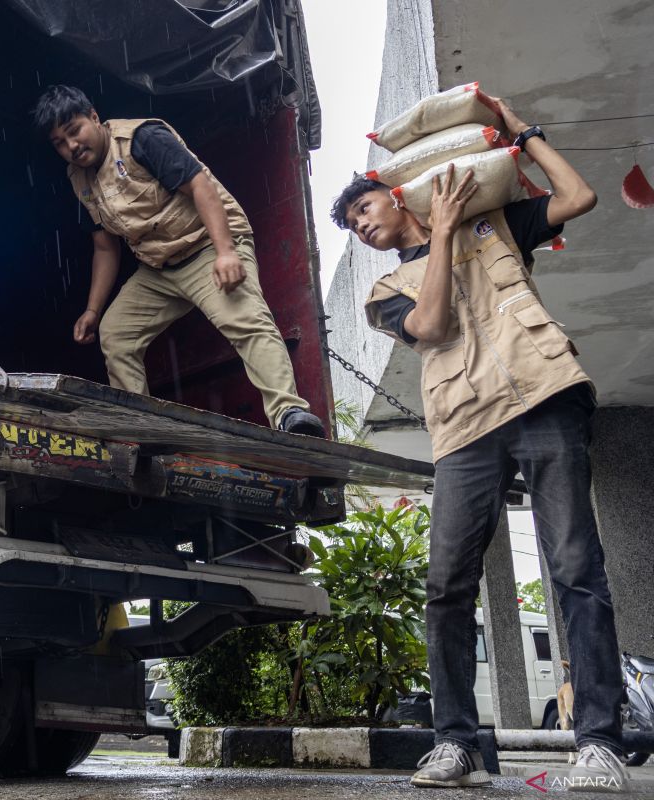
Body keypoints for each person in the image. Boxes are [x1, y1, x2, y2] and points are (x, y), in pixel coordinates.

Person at [333, 97, 628, 791]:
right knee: (446, 587)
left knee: (576, 569)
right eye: (351, 227)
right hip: (465, 427)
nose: (363, 228)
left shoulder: (493, 225)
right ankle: (456, 744)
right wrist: (437, 236)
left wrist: (522, 134)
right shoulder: (385, 290)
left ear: (391, 192)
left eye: (364, 211)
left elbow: (578, 197)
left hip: (541, 397)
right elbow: (432, 326)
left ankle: (599, 744)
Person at [33, 85, 325, 437]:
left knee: (246, 320)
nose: (72, 146)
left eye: (74, 130)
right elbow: (106, 246)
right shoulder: (79, 179)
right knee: (116, 334)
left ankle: (289, 413)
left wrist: (226, 251)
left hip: (207, 245)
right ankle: (141, 429)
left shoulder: (142, 138)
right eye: (60, 143)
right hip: (159, 268)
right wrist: (93, 310)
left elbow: (201, 187)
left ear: (94, 117)